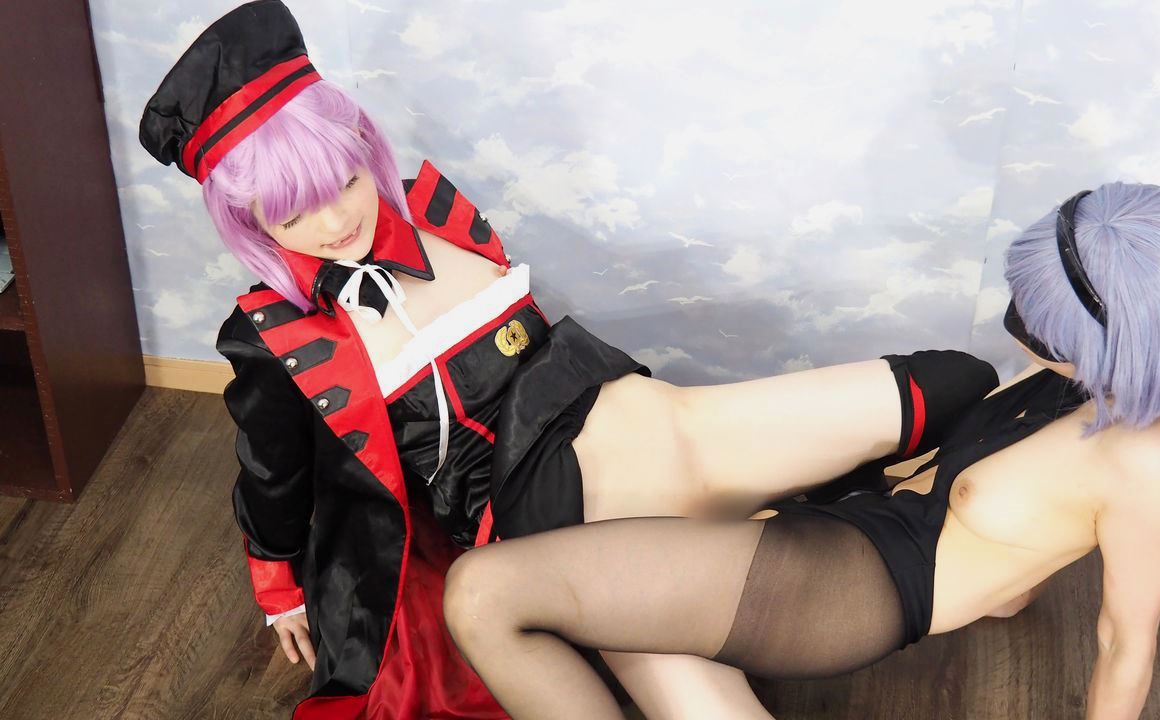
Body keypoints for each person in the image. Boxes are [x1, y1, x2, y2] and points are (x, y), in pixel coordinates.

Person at [136, 2, 999, 718]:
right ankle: (902, 538)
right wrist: (279, 587)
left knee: (959, 381)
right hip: (549, 516)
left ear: (368, 153)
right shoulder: (273, 337)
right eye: (293, 215)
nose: (334, 224)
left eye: (347, 182)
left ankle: (959, 540)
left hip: (647, 426)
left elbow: (538, 357)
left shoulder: (435, 206)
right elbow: (275, 474)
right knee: (683, 657)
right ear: (249, 223)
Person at [441, 182, 1160, 720]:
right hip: (852, 516)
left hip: (844, 590)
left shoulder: (1152, 469)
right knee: (580, 536)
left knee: (483, 595)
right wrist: (1012, 588)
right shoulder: (1091, 380)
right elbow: (1042, 504)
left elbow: (1125, 644)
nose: (1021, 327)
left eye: (1040, 325)